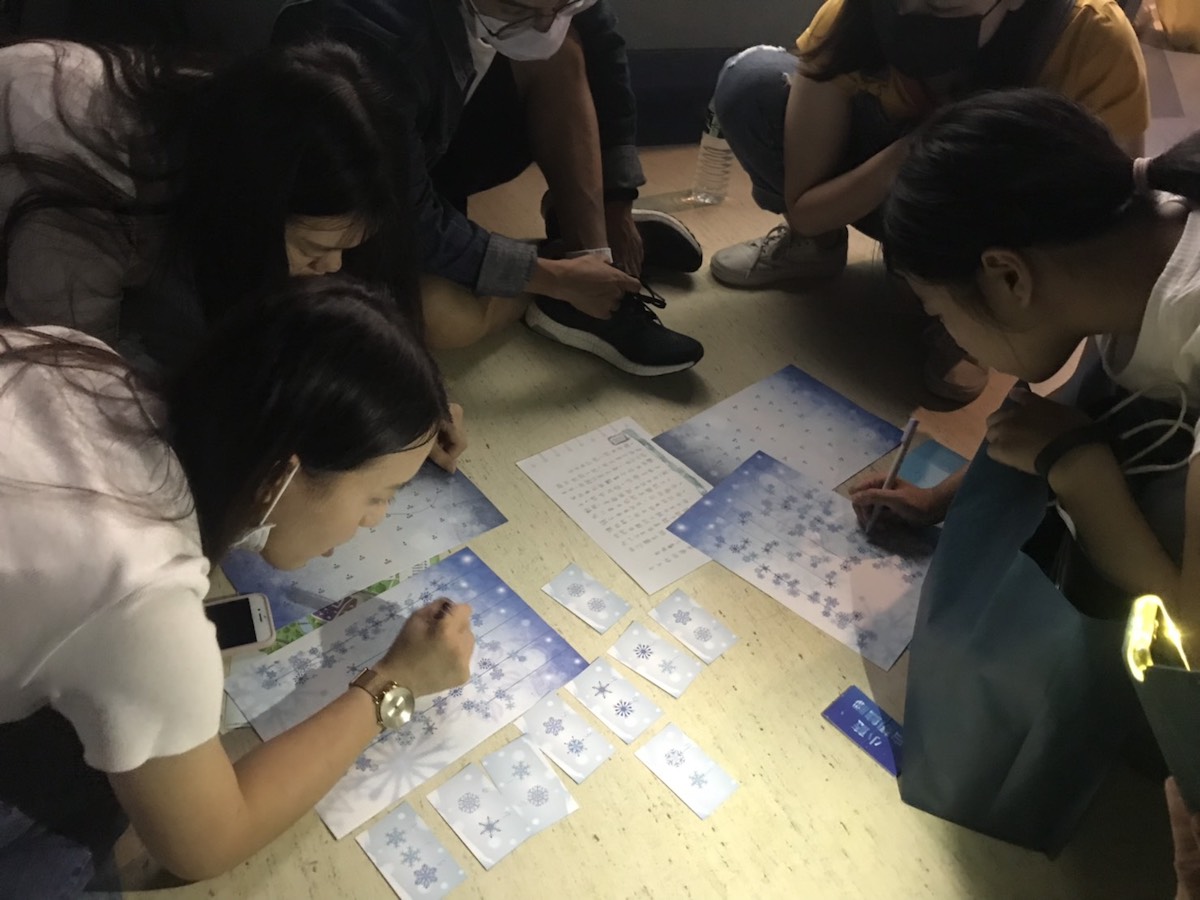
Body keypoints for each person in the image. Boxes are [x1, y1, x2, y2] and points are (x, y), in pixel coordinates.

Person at [0, 277, 476, 894]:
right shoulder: (141, 598)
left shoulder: (80, 362)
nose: (375, 521)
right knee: (76, 848)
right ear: (282, 476)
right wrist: (395, 683)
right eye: (377, 495)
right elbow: (208, 843)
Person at [849, 88, 1200, 632]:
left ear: (1009, 277)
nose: (951, 338)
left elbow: (1192, 636)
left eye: (939, 313)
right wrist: (938, 500)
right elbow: (1079, 404)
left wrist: (1078, 468)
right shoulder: (1129, 246)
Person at [708, 0, 1148, 403]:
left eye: (942, 7)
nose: (909, 15)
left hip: (995, 215)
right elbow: (807, 209)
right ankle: (818, 251)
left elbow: (1107, 222)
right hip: (890, 180)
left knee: (1018, 162)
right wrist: (919, 149)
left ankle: (974, 313)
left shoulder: (1089, 37)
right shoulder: (852, 16)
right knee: (752, 81)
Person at [274, 0, 706, 376]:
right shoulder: (370, 39)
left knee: (561, 48)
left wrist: (616, 202)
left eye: (563, 4)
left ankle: (591, 256)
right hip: (372, 188)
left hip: (438, 132)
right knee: (440, 318)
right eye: (516, 9)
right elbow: (406, 211)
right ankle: (570, 275)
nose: (544, 24)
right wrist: (551, 278)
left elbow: (604, 53)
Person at [0, 38, 417, 365]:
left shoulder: (234, 112)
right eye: (314, 249)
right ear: (251, 211)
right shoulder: (84, 209)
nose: (332, 267)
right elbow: (74, 374)